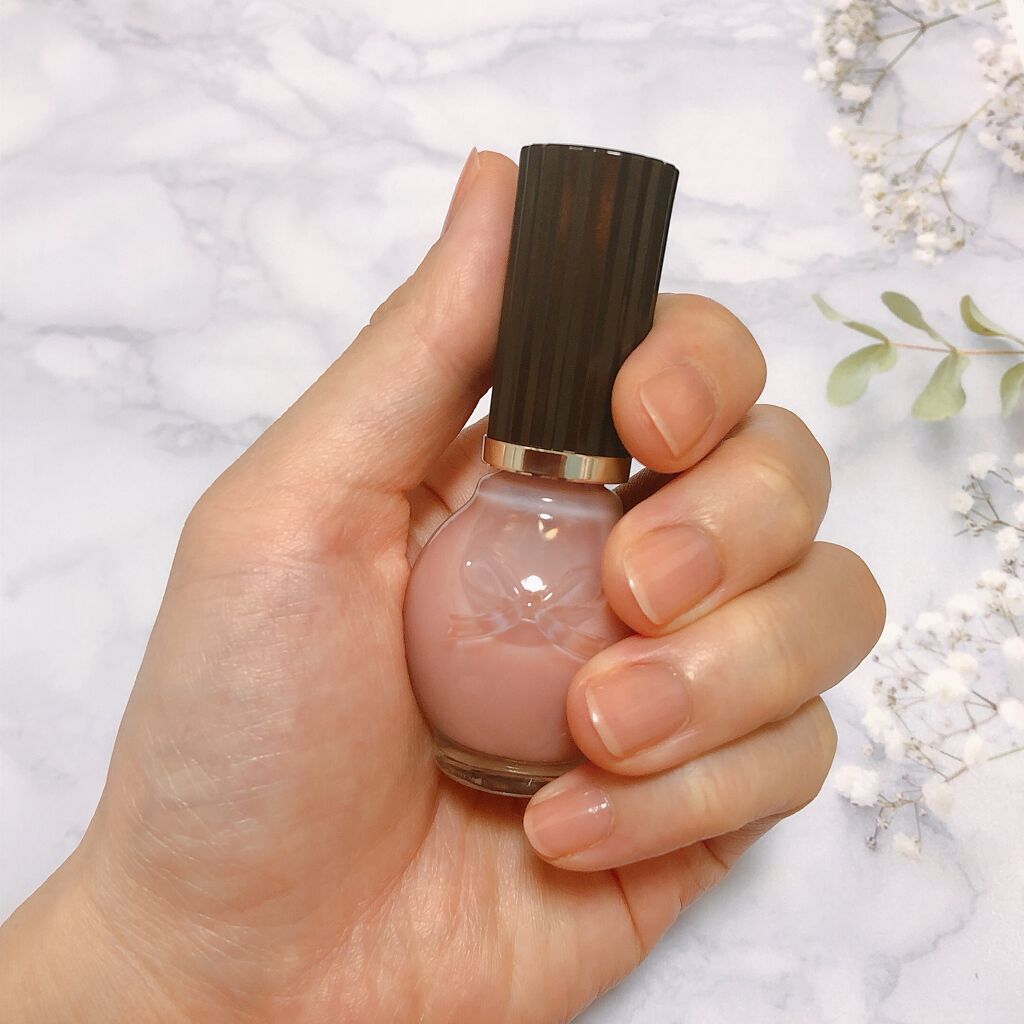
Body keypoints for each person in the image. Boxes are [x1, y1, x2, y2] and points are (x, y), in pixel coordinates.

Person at [0, 150, 884, 1022]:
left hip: (496, 887)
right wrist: (158, 951)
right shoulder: (469, 528)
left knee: (673, 587)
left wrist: (159, 968)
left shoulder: (589, 532)